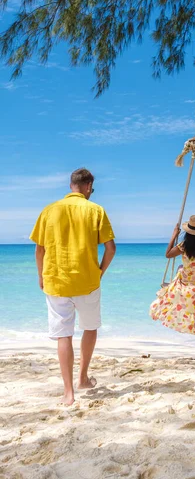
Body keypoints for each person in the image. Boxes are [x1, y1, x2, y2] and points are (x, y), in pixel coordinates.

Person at [30, 168, 116, 405]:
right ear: (88, 186)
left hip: (56, 280)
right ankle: (83, 378)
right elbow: (111, 249)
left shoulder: (49, 210)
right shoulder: (96, 210)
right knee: (89, 328)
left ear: (72, 186)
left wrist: (41, 276)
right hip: (88, 281)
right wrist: (99, 272)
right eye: (92, 189)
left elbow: (39, 250)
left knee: (63, 335)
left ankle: (68, 393)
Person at [150, 214, 195, 335]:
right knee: (189, 270)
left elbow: (168, 254)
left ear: (188, 232)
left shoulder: (183, 246)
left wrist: (174, 235)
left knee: (180, 268)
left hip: (186, 282)